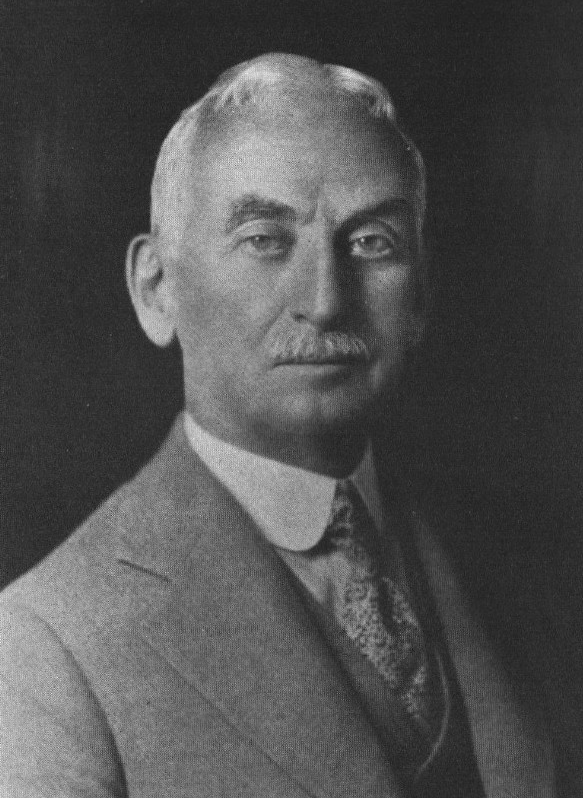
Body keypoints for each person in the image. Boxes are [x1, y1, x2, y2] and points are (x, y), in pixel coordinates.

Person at [0, 53, 555, 797]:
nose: (325, 301)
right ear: (157, 288)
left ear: (420, 295)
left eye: (371, 241)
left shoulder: (520, 564)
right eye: (265, 238)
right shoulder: (44, 644)